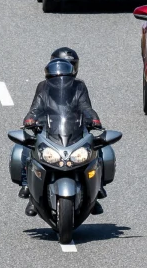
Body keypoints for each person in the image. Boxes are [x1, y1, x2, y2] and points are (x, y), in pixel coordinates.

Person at [19, 48, 102, 216]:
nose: (65, 70)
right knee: (25, 148)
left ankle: (97, 190)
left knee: (100, 148)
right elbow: (35, 108)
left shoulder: (79, 86)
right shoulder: (43, 87)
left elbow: (86, 107)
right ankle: (27, 185)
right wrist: (30, 119)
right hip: (48, 130)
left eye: (71, 65)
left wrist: (93, 119)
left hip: (75, 130)